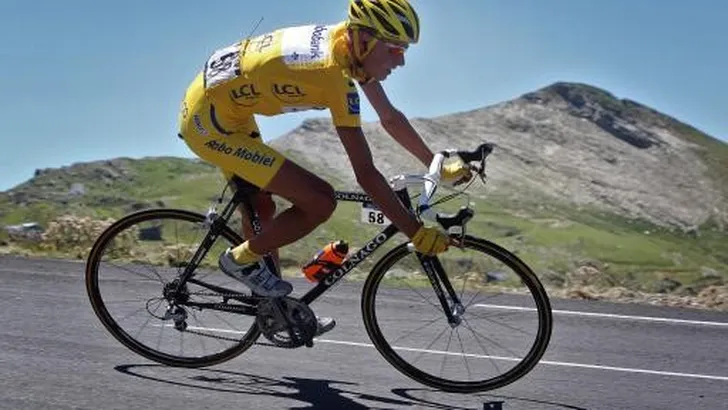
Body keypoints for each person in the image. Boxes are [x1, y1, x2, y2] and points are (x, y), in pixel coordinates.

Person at [176, 0, 473, 334]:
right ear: (365, 40)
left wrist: (435, 164)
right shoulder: (332, 74)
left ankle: (277, 312)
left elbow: (389, 117)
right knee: (320, 200)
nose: (401, 60)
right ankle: (239, 260)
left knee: (261, 207)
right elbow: (366, 174)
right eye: (394, 50)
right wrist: (414, 231)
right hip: (209, 124)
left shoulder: (347, 47)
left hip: (226, 105)